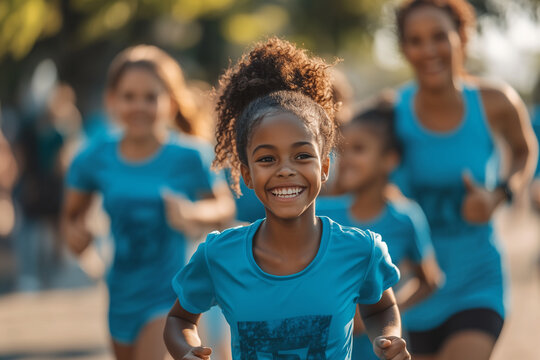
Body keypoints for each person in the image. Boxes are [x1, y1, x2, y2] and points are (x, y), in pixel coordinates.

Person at [163, 37, 411, 360]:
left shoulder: (360, 251)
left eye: (302, 156)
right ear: (247, 174)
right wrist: (187, 350)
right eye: (267, 159)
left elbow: (382, 307)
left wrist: (388, 337)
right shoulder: (218, 255)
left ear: (324, 167)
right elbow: (179, 318)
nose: (285, 170)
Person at [62, 45, 235, 360]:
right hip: (120, 295)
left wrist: (192, 213)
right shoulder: (93, 158)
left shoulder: (190, 155)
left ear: (170, 102)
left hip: (169, 294)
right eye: (129, 96)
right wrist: (78, 238)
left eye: (150, 97)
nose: (139, 106)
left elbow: (224, 210)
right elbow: (71, 220)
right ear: (112, 100)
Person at [392, 1, 538, 359]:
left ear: (462, 38)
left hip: (478, 283)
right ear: (404, 49)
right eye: (415, 40)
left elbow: (524, 151)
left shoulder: (495, 102)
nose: (428, 50)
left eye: (439, 36)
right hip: (415, 292)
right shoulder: (392, 114)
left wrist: (500, 194)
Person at [317, 99, 442, 359]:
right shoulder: (322, 213)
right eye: (344, 150)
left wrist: (384, 316)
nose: (347, 159)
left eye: (359, 149)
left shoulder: (406, 218)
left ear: (389, 160)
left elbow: (430, 281)